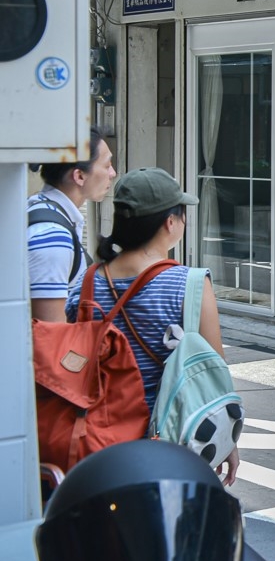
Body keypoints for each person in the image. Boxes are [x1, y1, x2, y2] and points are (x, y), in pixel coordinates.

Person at [65, 167, 239, 486]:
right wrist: (226, 439)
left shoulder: (85, 284)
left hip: (95, 449)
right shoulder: (191, 285)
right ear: (169, 222)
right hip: (166, 450)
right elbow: (214, 376)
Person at [27, 128, 117, 322]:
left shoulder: (43, 210)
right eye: (107, 164)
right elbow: (51, 335)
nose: (112, 173)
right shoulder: (53, 237)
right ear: (79, 176)